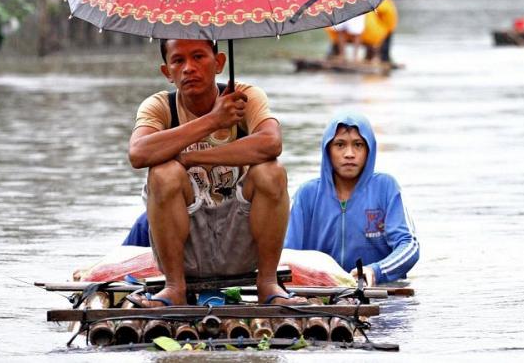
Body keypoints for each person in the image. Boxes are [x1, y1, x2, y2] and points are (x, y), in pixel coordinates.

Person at [126, 38, 303, 306]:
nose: (188, 68)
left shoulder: (244, 97)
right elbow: (139, 154)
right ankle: (175, 287)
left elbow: (271, 143)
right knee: (163, 173)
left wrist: (190, 157)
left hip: (239, 240)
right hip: (187, 248)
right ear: (167, 72)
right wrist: (213, 120)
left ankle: (267, 283)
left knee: (272, 171)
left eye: (199, 57)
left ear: (219, 63)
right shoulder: (160, 106)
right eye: (178, 61)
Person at [284, 111, 419, 286]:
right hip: (321, 294)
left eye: (358, 145)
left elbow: (409, 246)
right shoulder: (307, 194)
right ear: (327, 151)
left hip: (378, 291)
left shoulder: (386, 187)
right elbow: (286, 255)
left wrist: (376, 271)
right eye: (340, 145)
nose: (349, 153)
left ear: (369, 150)